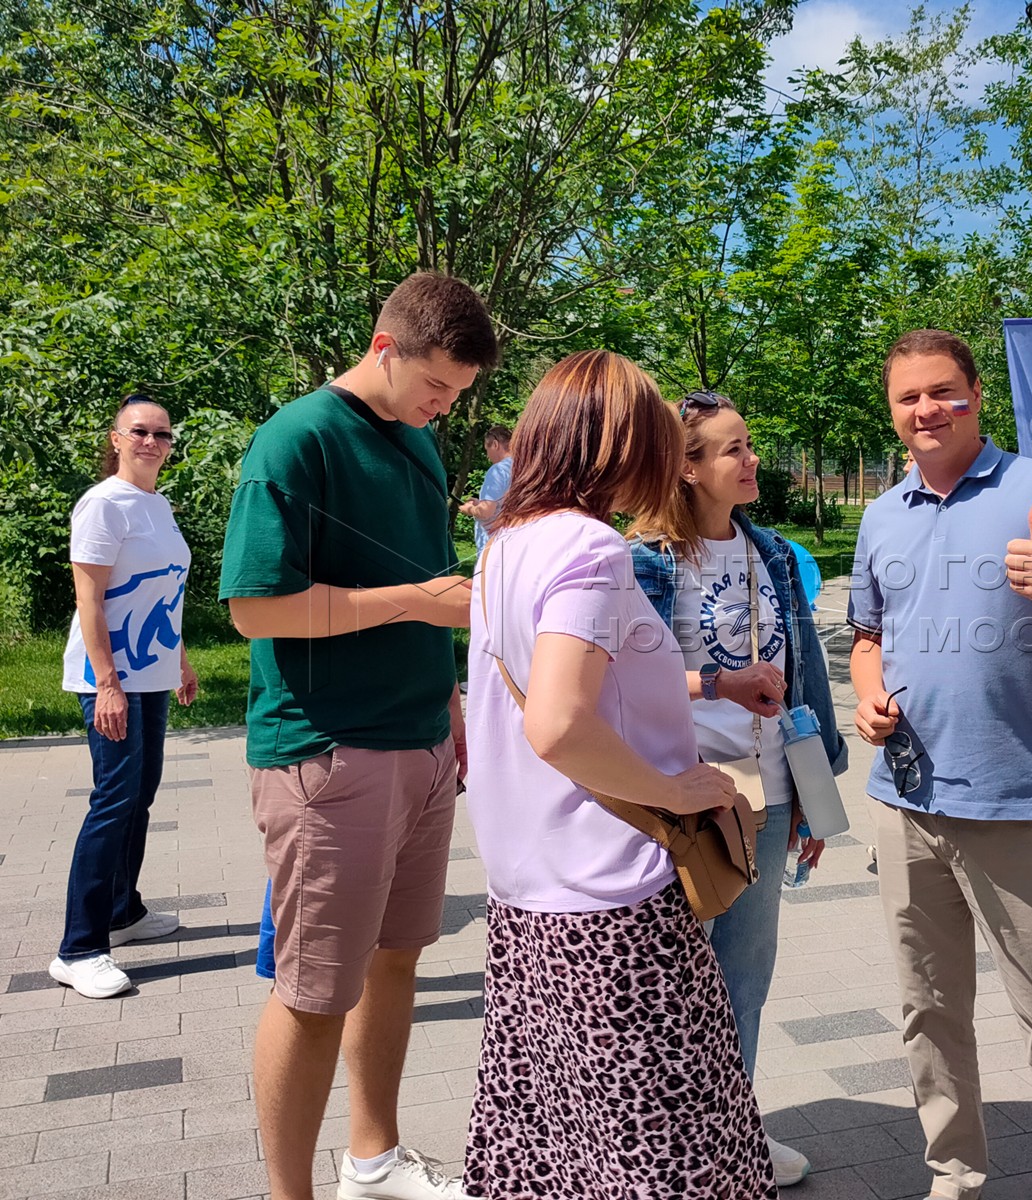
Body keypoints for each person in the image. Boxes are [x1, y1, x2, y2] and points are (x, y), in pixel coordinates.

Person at [465, 351, 775, 1198]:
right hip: (612, 899)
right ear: (620, 446)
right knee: (667, 1143)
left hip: (531, 889)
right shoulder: (589, 548)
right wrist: (674, 789)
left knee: (562, 1143)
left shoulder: (508, 543)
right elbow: (558, 720)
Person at [219, 272, 499, 1200]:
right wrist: (415, 606)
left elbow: (431, 582)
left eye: (459, 394)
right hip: (328, 752)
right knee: (311, 992)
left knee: (395, 960)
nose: (444, 405)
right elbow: (255, 609)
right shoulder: (295, 440)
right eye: (437, 386)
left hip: (419, 743)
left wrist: (449, 703)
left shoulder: (417, 445)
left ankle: (371, 1160)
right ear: (385, 347)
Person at [850, 329, 1032, 1200]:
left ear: (978, 393)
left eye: (944, 391)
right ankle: (955, 1175)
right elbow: (868, 635)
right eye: (909, 397)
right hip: (905, 801)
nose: (927, 409)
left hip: (1018, 800)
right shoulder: (882, 513)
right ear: (893, 412)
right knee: (929, 1011)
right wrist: (867, 694)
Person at [627, 389, 846, 1187]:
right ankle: (672, 1139)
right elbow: (627, 680)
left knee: (746, 977)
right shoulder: (645, 558)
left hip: (773, 789)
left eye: (749, 445)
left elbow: (806, 677)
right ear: (685, 470)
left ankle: (733, 1130)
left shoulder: (776, 553)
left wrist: (817, 790)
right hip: (688, 795)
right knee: (677, 980)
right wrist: (718, 683)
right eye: (731, 450)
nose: (752, 460)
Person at [51, 394, 198, 1000]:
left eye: (162, 434)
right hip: (109, 678)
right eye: (140, 431)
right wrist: (107, 682)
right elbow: (90, 600)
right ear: (115, 438)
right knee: (112, 800)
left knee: (140, 794)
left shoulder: (156, 505)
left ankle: (122, 909)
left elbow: (165, 590)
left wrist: (180, 659)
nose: (152, 442)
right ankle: (79, 948)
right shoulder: (102, 505)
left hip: (152, 673)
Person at [460, 424, 512, 555]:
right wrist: (481, 502)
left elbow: (486, 512)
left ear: (495, 444)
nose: (487, 456)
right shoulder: (523, 468)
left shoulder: (498, 471)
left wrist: (470, 509)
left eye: (486, 449)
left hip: (492, 547)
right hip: (513, 544)